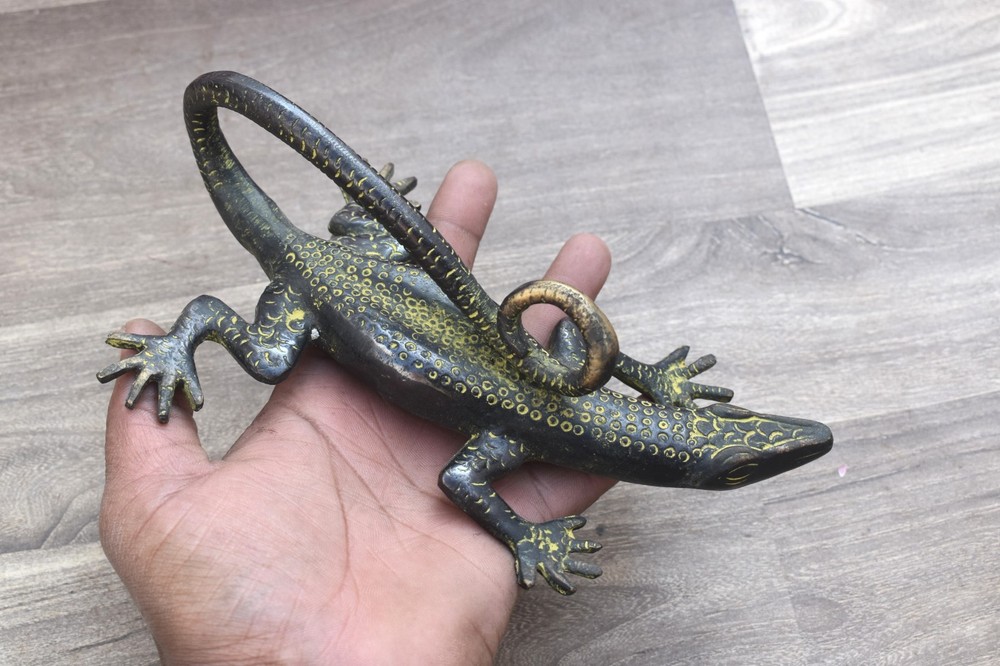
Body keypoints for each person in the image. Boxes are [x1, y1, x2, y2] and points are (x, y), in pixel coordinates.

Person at [100, 160, 616, 664]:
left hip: (362, 272)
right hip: (312, 289)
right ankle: (199, 321)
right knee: (270, 359)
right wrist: (176, 346)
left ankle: (359, 220)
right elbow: (461, 477)